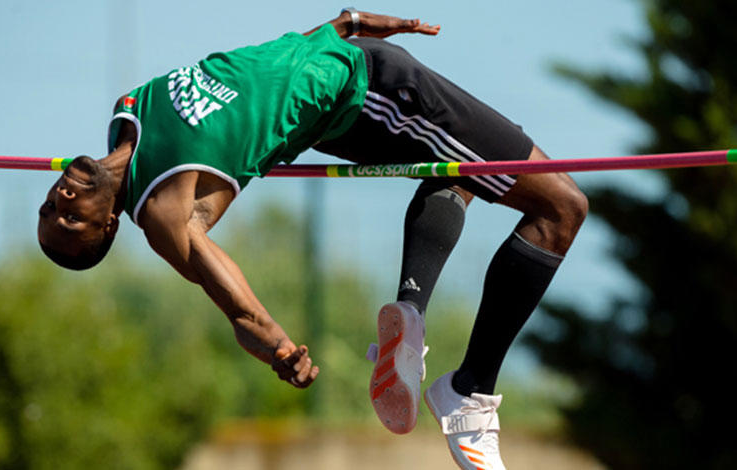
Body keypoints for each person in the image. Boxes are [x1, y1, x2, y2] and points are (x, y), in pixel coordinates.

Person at [37, 9, 587, 470]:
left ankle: (410, 321)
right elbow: (233, 302)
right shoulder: (163, 209)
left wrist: (341, 22)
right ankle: (468, 393)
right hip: (373, 89)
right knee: (561, 207)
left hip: (341, 78)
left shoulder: (128, 111)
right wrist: (279, 348)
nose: (60, 203)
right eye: (70, 224)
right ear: (108, 226)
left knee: (465, 168)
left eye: (49, 207)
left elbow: (258, 68)